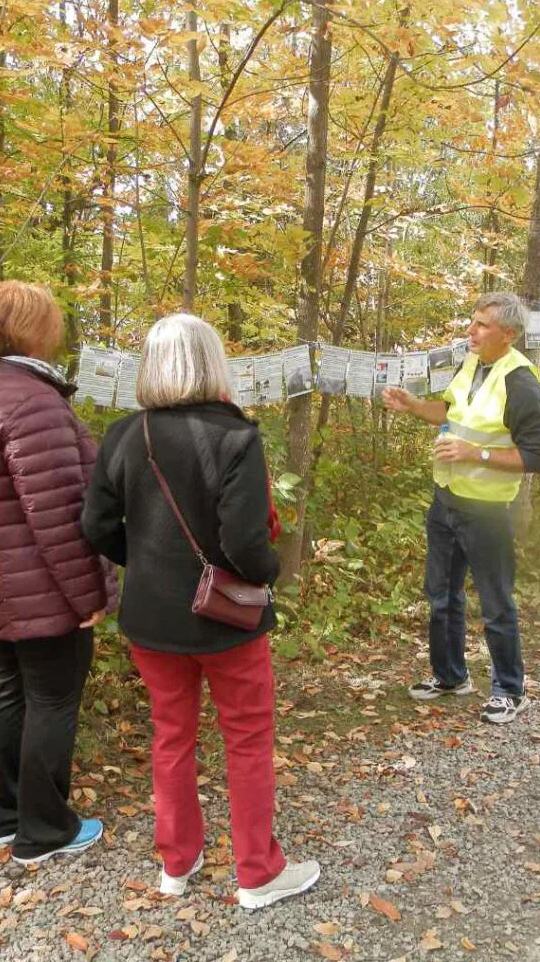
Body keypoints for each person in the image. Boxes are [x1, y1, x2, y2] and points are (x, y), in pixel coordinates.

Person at [80, 313, 320, 910]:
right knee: (246, 738)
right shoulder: (236, 436)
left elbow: (95, 526)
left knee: (171, 737)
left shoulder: (123, 434)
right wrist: (268, 575)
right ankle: (257, 873)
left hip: (151, 618)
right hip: (227, 618)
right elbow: (243, 542)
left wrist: (142, 562)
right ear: (214, 365)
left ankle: (176, 865)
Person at [0, 281, 117, 862]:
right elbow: (62, 517)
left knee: (8, 689)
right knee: (52, 697)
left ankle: (1, 816)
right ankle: (44, 831)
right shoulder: (34, 402)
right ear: (35, 330)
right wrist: (89, 593)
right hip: (40, 586)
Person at [383, 292, 540, 724]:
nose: (470, 331)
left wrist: (474, 455)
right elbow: (451, 410)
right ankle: (449, 677)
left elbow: (539, 456)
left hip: (490, 511)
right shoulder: (472, 362)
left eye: (481, 325)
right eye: (472, 321)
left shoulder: (522, 382)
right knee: (441, 595)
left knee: (496, 602)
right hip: (446, 501)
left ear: (508, 334)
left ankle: (510, 691)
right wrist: (412, 406)